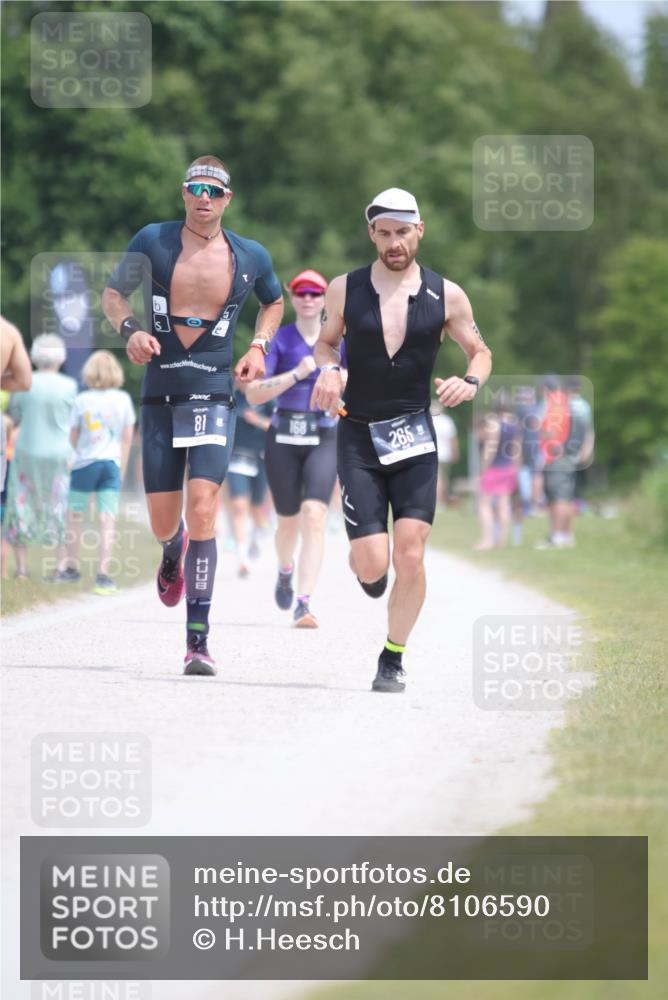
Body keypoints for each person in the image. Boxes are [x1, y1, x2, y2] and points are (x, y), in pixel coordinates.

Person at [102, 155, 283, 675]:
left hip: (212, 390)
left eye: (214, 191)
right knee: (166, 520)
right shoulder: (152, 240)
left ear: (228, 199)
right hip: (161, 390)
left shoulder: (250, 254)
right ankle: (172, 547)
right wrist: (132, 330)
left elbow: (274, 302)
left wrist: (260, 346)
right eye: (196, 189)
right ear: (184, 193)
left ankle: (197, 640)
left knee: (204, 508)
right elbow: (113, 295)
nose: (204, 198)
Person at [311, 188, 492, 692]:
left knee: (410, 554)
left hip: (414, 436)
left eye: (403, 232)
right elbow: (325, 344)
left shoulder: (447, 294)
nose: (395, 242)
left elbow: (480, 352)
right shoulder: (344, 289)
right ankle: (364, 560)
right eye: (385, 233)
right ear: (372, 234)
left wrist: (470, 381)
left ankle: (392, 656)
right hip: (358, 436)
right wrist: (328, 371)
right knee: (374, 568)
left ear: (420, 231)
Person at [246, 269, 344, 628]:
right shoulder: (281, 340)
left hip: (324, 436)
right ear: (291, 296)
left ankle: (304, 603)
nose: (308, 299)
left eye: (315, 293)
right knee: (287, 522)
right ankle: (285, 568)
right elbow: (253, 393)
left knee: (314, 515)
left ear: (325, 300)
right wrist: (297, 374)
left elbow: (359, 382)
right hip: (283, 436)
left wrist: (342, 380)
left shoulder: (340, 341)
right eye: (301, 292)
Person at [53, 350, 136, 594]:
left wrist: (74, 454)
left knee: (74, 516)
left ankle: (71, 567)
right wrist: (122, 466)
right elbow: (127, 437)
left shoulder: (82, 400)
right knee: (107, 520)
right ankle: (103, 574)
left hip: (84, 464)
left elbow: (73, 435)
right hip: (111, 464)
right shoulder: (123, 399)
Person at [4, 334, 77, 578]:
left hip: (27, 451)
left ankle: (22, 569)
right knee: (58, 505)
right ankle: (60, 565)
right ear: (60, 358)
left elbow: (16, 415)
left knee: (20, 504)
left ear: (34, 357)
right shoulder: (70, 385)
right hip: (59, 453)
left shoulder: (25, 383)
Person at [536, 374, 594, 549]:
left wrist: (541, 435)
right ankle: (566, 535)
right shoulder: (583, 405)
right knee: (567, 497)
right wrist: (585, 450)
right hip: (572, 456)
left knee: (558, 497)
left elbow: (550, 431)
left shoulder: (556, 405)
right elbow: (588, 430)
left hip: (557, 456)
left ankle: (557, 536)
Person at [226, 376, 273, 578]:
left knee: (256, 507)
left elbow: (278, 425)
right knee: (239, 507)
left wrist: (258, 421)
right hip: (236, 458)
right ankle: (243, 559)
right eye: (241, 377)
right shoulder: (231, 398)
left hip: (261, 458)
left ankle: (255, 536)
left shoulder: (268, 399)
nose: (244, 380)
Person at [475, 400, 521, 550]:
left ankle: (487, 540)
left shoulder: (494, 423)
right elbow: (516, 449)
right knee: (504, 503)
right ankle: (501, 540)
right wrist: (516, 468)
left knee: (484, 503)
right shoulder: (515, 424)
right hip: (509, 467)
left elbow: (491, 447)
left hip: (494, 467)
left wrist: (483, 468)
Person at [430, 399, 459, 508]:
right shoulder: (447, 421)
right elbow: (452, 439)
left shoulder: (428, 420)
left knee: (435, 478)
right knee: (442, 478)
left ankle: (437, 500)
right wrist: (455, 452)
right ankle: (439, 501)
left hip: (430, 453)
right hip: (444, 454)